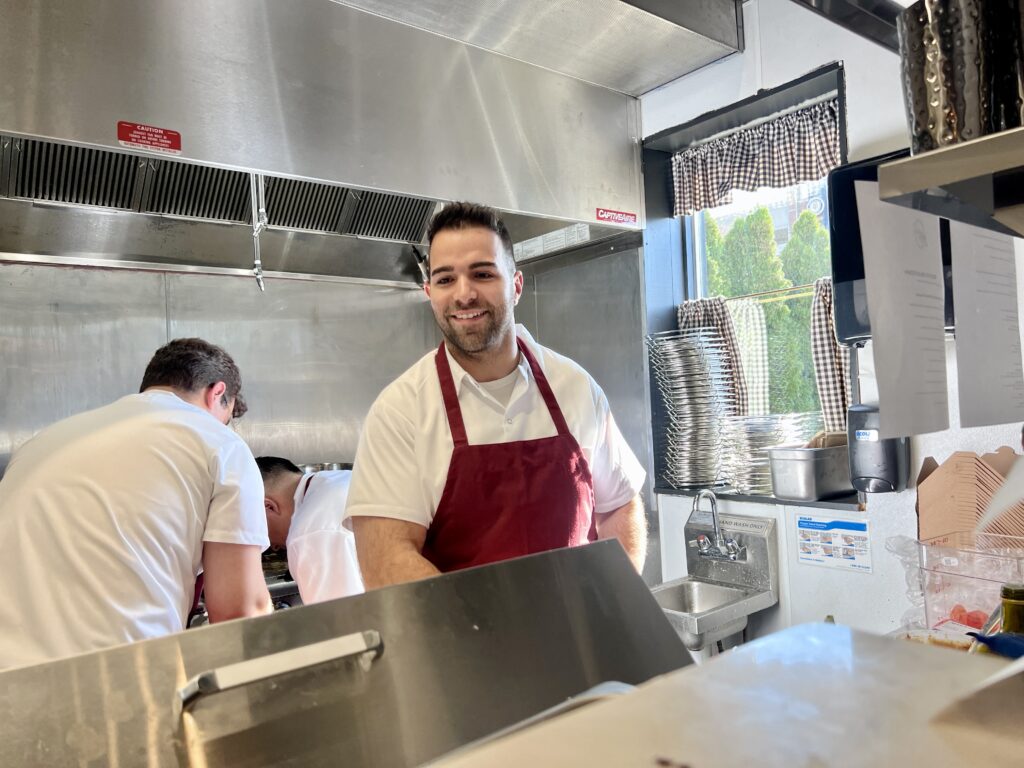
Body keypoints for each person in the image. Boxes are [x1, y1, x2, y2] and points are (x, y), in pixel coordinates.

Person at [345, 201, 647, 589]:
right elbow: (386, 561)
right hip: (459, 629)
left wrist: (616, 601)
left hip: (577, 625)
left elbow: (619, 504)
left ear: (516, 285)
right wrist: (486, 627)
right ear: (429, 292)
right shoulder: (400, 412)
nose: (464, 294)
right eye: (445, 279)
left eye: (482, 274)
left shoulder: (575, 388)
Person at [0, 338, 272, 669]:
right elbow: (240, 612)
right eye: (226, 418)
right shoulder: (221, 444)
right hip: (114, 673)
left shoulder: (44, 441)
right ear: (217, 393)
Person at [256, 457, 364, 603]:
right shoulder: (340, 479)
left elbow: (340, 614)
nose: (272, 547)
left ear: (268, 506)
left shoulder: (309, 534)